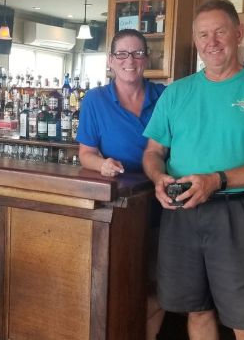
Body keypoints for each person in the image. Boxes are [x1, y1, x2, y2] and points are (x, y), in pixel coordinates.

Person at [142, 0, 244, 340]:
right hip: (181, 213)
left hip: (237, 214)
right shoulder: (176, 93)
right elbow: (153, 151)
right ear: (195, 41)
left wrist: (217, 180)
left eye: (220, 32)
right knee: (196, 310)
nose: (211, 42)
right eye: (203, 35)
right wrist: (157, 177)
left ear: (238, 33)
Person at [76, 28, 166, 340]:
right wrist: (102, 164)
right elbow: (85, 153)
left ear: (147, 59)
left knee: (157, 282)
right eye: (123, 54)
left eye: (138, 53)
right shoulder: (96, 100)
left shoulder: (165, 96)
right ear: (111, 61)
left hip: (162, 202)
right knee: (122, 281)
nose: (131, 60)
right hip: (121, 208)